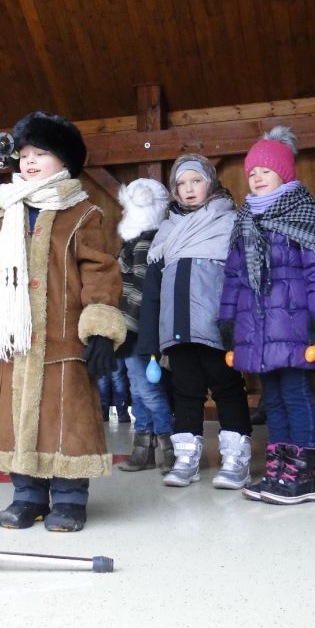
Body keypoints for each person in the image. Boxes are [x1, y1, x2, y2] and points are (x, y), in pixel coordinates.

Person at [0, 111, 125, 532]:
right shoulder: (6, 215)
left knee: (65, 421)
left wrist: (100, 327)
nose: (30, 161)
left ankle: (69, 499)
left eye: (42, 153)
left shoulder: (82, 213)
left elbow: (99, 270)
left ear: (64, 160)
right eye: (25, 154)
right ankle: (28, 496)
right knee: (16, 419)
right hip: (16, 342)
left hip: (62, 341)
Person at [219, 127, 315, 505]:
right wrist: (227, 322)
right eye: (252, 172)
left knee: (295, 394)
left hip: (294, 325)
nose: (256, 178)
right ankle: (279, 470)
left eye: (265, 171)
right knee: (272, 398)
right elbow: (233, 278)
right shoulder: (244, 221)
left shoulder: (303, 214)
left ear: (284, 173)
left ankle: (304, 475)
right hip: (257, 328)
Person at [137, 154, 252, 489]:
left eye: (196, 181)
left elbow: (243, 278)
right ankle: (186, 458)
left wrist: (240, 326)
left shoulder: (230, 223)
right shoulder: (166, 232)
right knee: (185, 392)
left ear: (210, 183)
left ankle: (236, 459)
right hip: (177, 329)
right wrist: (150, 340)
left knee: (228, 388)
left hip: (218, 327)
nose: (188, 189)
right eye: (181, 183)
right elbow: (153, 290)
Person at [114, 178, 176, 474]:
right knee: (139, 390)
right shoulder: (141, 242)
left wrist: (127, 328)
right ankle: (144, 449)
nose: (123, 213)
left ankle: (168, 448)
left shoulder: (142, 244)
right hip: (134, 330)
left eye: (127, 207)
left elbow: (139, 291)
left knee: (148, 391)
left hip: (137, 330)